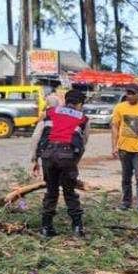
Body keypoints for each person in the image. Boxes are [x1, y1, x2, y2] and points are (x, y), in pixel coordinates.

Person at [31, 89, 91, 238]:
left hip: (48, 155)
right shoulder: (83, 119)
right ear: (79, 104)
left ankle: (46, 228)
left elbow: (36, 137)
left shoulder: (50, 112)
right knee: (69, 192)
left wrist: (34, 160)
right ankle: (77, 228)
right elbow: (83, 144)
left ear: (66, 101)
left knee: (51, 192)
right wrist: (74, 162)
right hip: (67, 156)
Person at [110, 85, 138, 212]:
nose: (129, 95)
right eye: (128, 93)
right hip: (124, 149)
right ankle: (126, 202)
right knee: (126, 177)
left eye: (132, 93)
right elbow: (115, 127)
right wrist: (114, 146)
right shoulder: (120, 107)